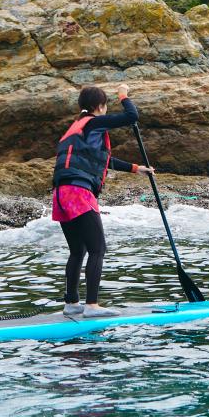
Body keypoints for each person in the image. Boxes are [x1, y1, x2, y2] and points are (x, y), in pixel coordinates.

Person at [53, 83, 153, 319]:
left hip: (60, 194)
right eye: (106, 105)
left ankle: (71, 303)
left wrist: (136, 168)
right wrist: (123, 94)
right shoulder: (95, 123)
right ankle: (92, 305)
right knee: (98, 249)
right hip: (78, 193)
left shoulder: (76, 128)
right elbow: (132, 116)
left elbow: (100, 158)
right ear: (100, 106)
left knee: (78, 250)